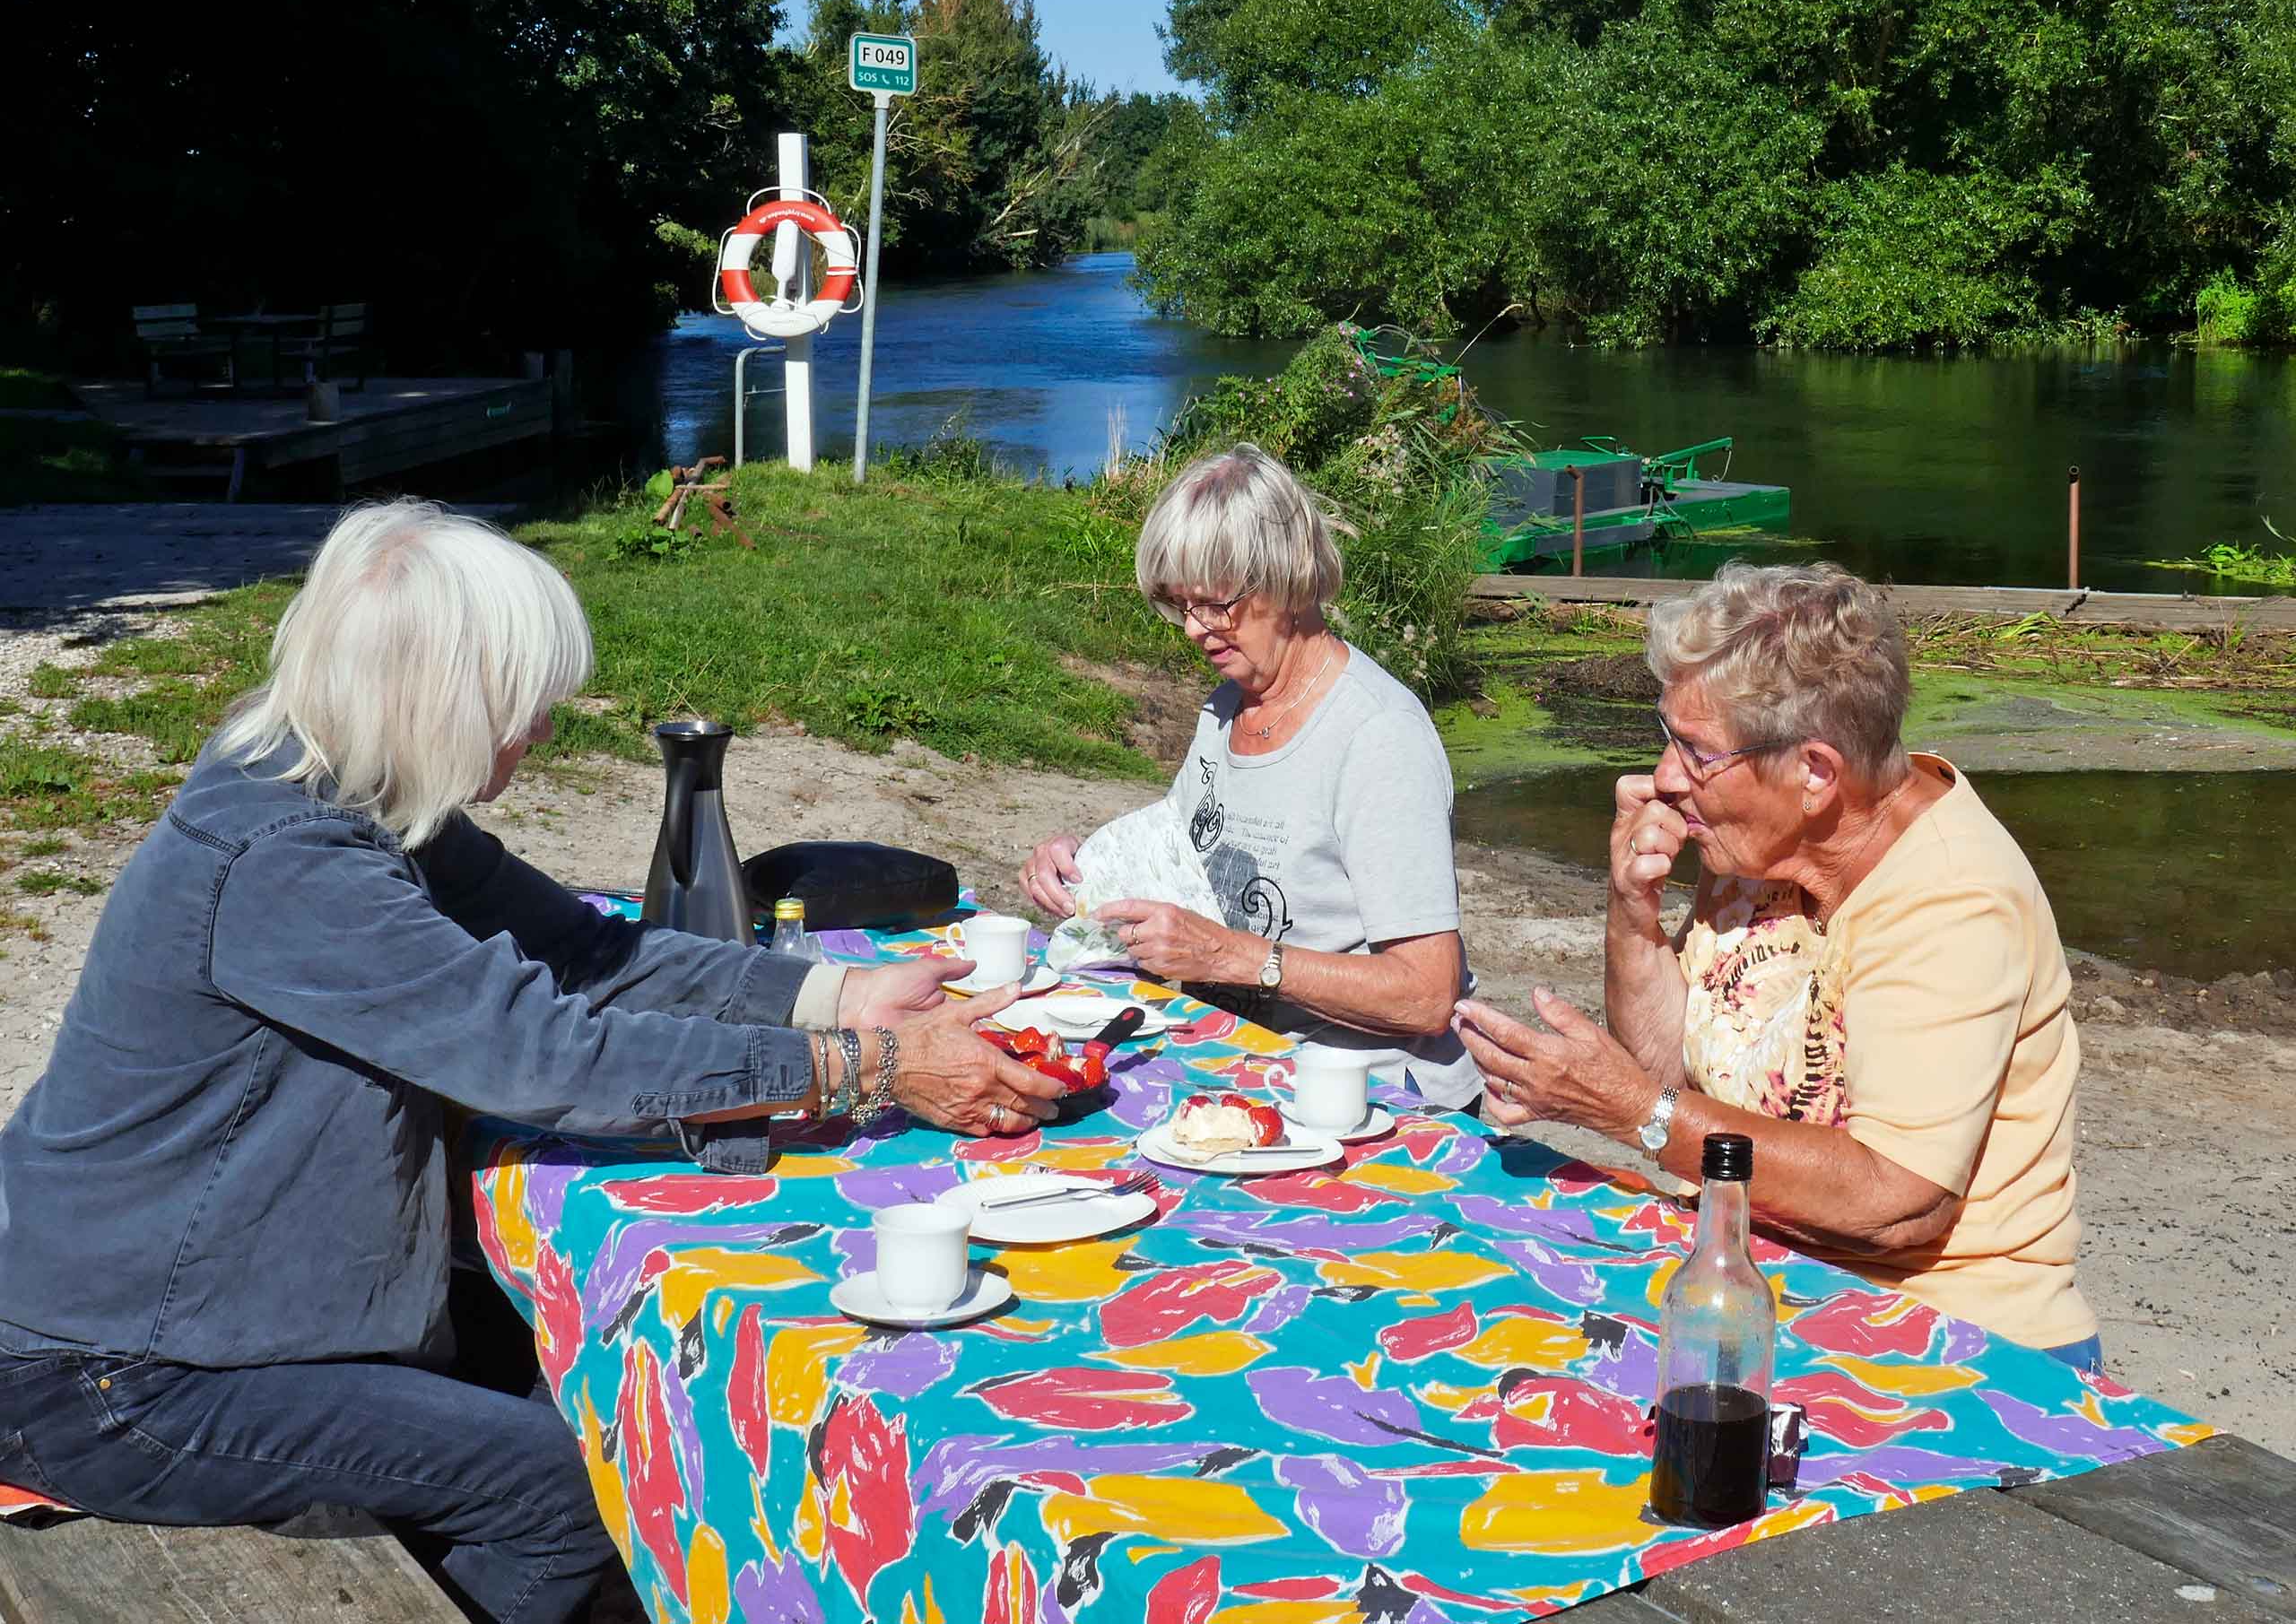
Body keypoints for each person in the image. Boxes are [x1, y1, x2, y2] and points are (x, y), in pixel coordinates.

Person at [0, 501, 1063, 1624]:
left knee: (603, 1389)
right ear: (440, 697)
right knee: (564, 1489)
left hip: (202, 1313)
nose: (546, 726)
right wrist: (863, 1068)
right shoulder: (287, 862)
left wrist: (838, 993)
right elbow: (547, 1054)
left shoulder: (333, 779)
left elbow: (582, 951)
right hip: (114, 1371)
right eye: (528, 700)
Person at [1456, 562, 2100, 1368]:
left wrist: (1633, 1113)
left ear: (1816, 773)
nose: (1664, 779)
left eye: (1696, 753)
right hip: (1759, 1281)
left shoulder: (1951, 899)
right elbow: (1674, 1063)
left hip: (1947, 1339)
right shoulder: (1766, 841)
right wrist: (1632, 908)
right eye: (1668, 738)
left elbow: (1891, 1201)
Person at [1020, 444, 1474, 1108]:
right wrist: (1084, 867)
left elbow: (1427, 994)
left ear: (1286, 578)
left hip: (1375, 1099)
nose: (1195, 631)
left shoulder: (1378, 737)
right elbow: (1191, 859)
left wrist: (1235, 958)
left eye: (1215, 605)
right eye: (1180, 607)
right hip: (1247, 1062)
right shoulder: (1231, 704)